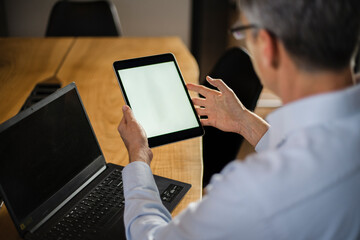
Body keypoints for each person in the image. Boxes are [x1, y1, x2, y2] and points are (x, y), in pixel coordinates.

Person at [118, 0, 360, 239]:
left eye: (245, 32)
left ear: (267, 46)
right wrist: (244, 121)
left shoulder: (254, 192)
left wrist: (138, 156)